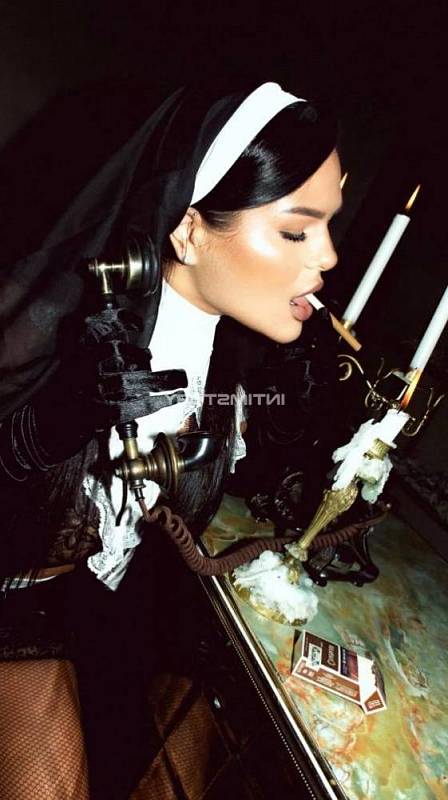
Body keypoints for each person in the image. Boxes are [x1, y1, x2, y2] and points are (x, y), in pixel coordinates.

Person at [0, 79, 341, 798]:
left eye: (328, 227)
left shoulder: (232, 367)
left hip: (124, 608)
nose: (330, 257)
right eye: (296, 231)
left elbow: (225, 507)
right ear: (188, 229)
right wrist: (44, 429)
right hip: (17, 599)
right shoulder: (72, 330)